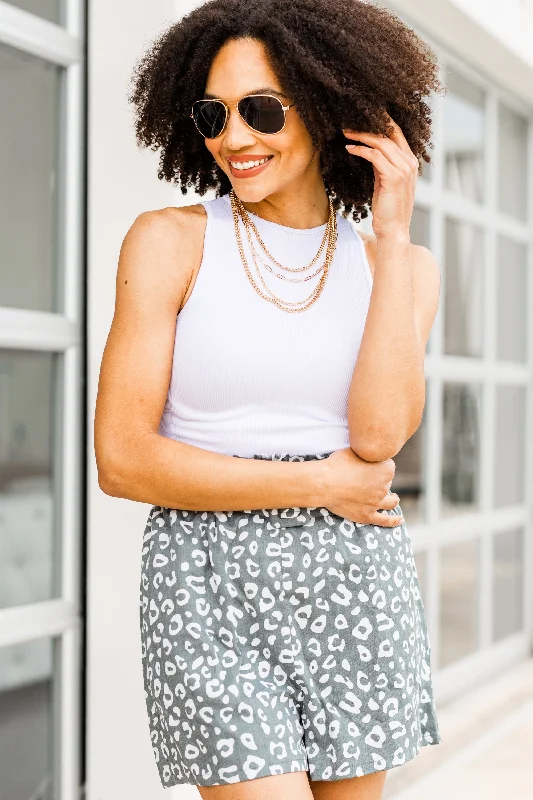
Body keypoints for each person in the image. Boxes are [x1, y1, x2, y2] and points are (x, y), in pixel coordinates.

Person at [94, 1, 443, 797]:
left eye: (260, 109)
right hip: (207, 580)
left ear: (327, 108)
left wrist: (390, 236)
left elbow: (378, 433)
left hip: (353, 581)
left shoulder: (405, 269)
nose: (233, 138)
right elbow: (122, 459)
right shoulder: (171, 240)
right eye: (212, 115)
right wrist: (321, 483)